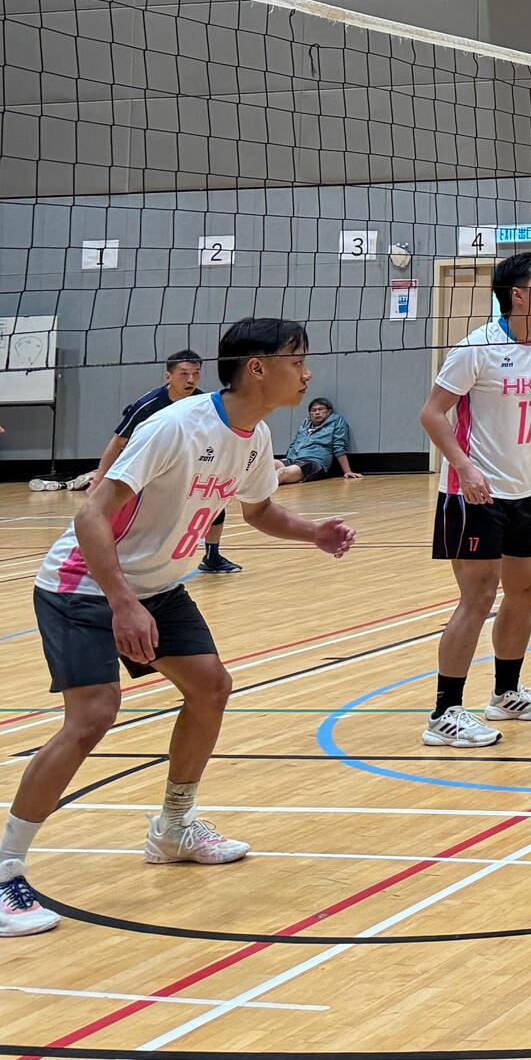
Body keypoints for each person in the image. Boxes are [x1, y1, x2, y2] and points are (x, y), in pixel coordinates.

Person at [1, 319, 354, 938]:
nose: (308, 373)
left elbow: (259, 510)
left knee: (211, 687)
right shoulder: (175, 426)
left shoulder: (255, 435)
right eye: (298, 360)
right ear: (258, 368)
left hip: (157, 586)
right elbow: (91, 515)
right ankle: (5, 867)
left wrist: (313, 533)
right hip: (85, 583)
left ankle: (172, 829)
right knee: (93, 715)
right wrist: (122, 603)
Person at [418, 251, 531, 748]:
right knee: (479, 596)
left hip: (524, 489)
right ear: (518, 295)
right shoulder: (476, 349)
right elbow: (432, 414)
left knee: (525, 590)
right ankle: (444, 713)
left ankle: (506, 694)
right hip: (473, 493)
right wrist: (464, 467)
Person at [77, 351, 241, 575]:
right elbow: (118, 442)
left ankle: (212, 556)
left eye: (196, 374)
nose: (191, 380)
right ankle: (102, 559)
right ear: (168, 376)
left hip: (185, 467)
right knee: (124, 514)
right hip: (144, 468)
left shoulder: (203, 404)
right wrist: (99, 480)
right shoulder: (148, 405)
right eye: (184, 374)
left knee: (214, 505)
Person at [275, 397, 358, 484]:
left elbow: (339, 447)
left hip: (313, 462)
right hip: (292, 459)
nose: (317, 412)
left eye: (320, 409)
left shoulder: (336, 421)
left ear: (329, 411)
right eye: (313, 410)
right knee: (269, 464)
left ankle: (267, 489)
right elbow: (294, 443)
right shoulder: (306, 423)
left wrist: (347, 471)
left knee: (281, 472)